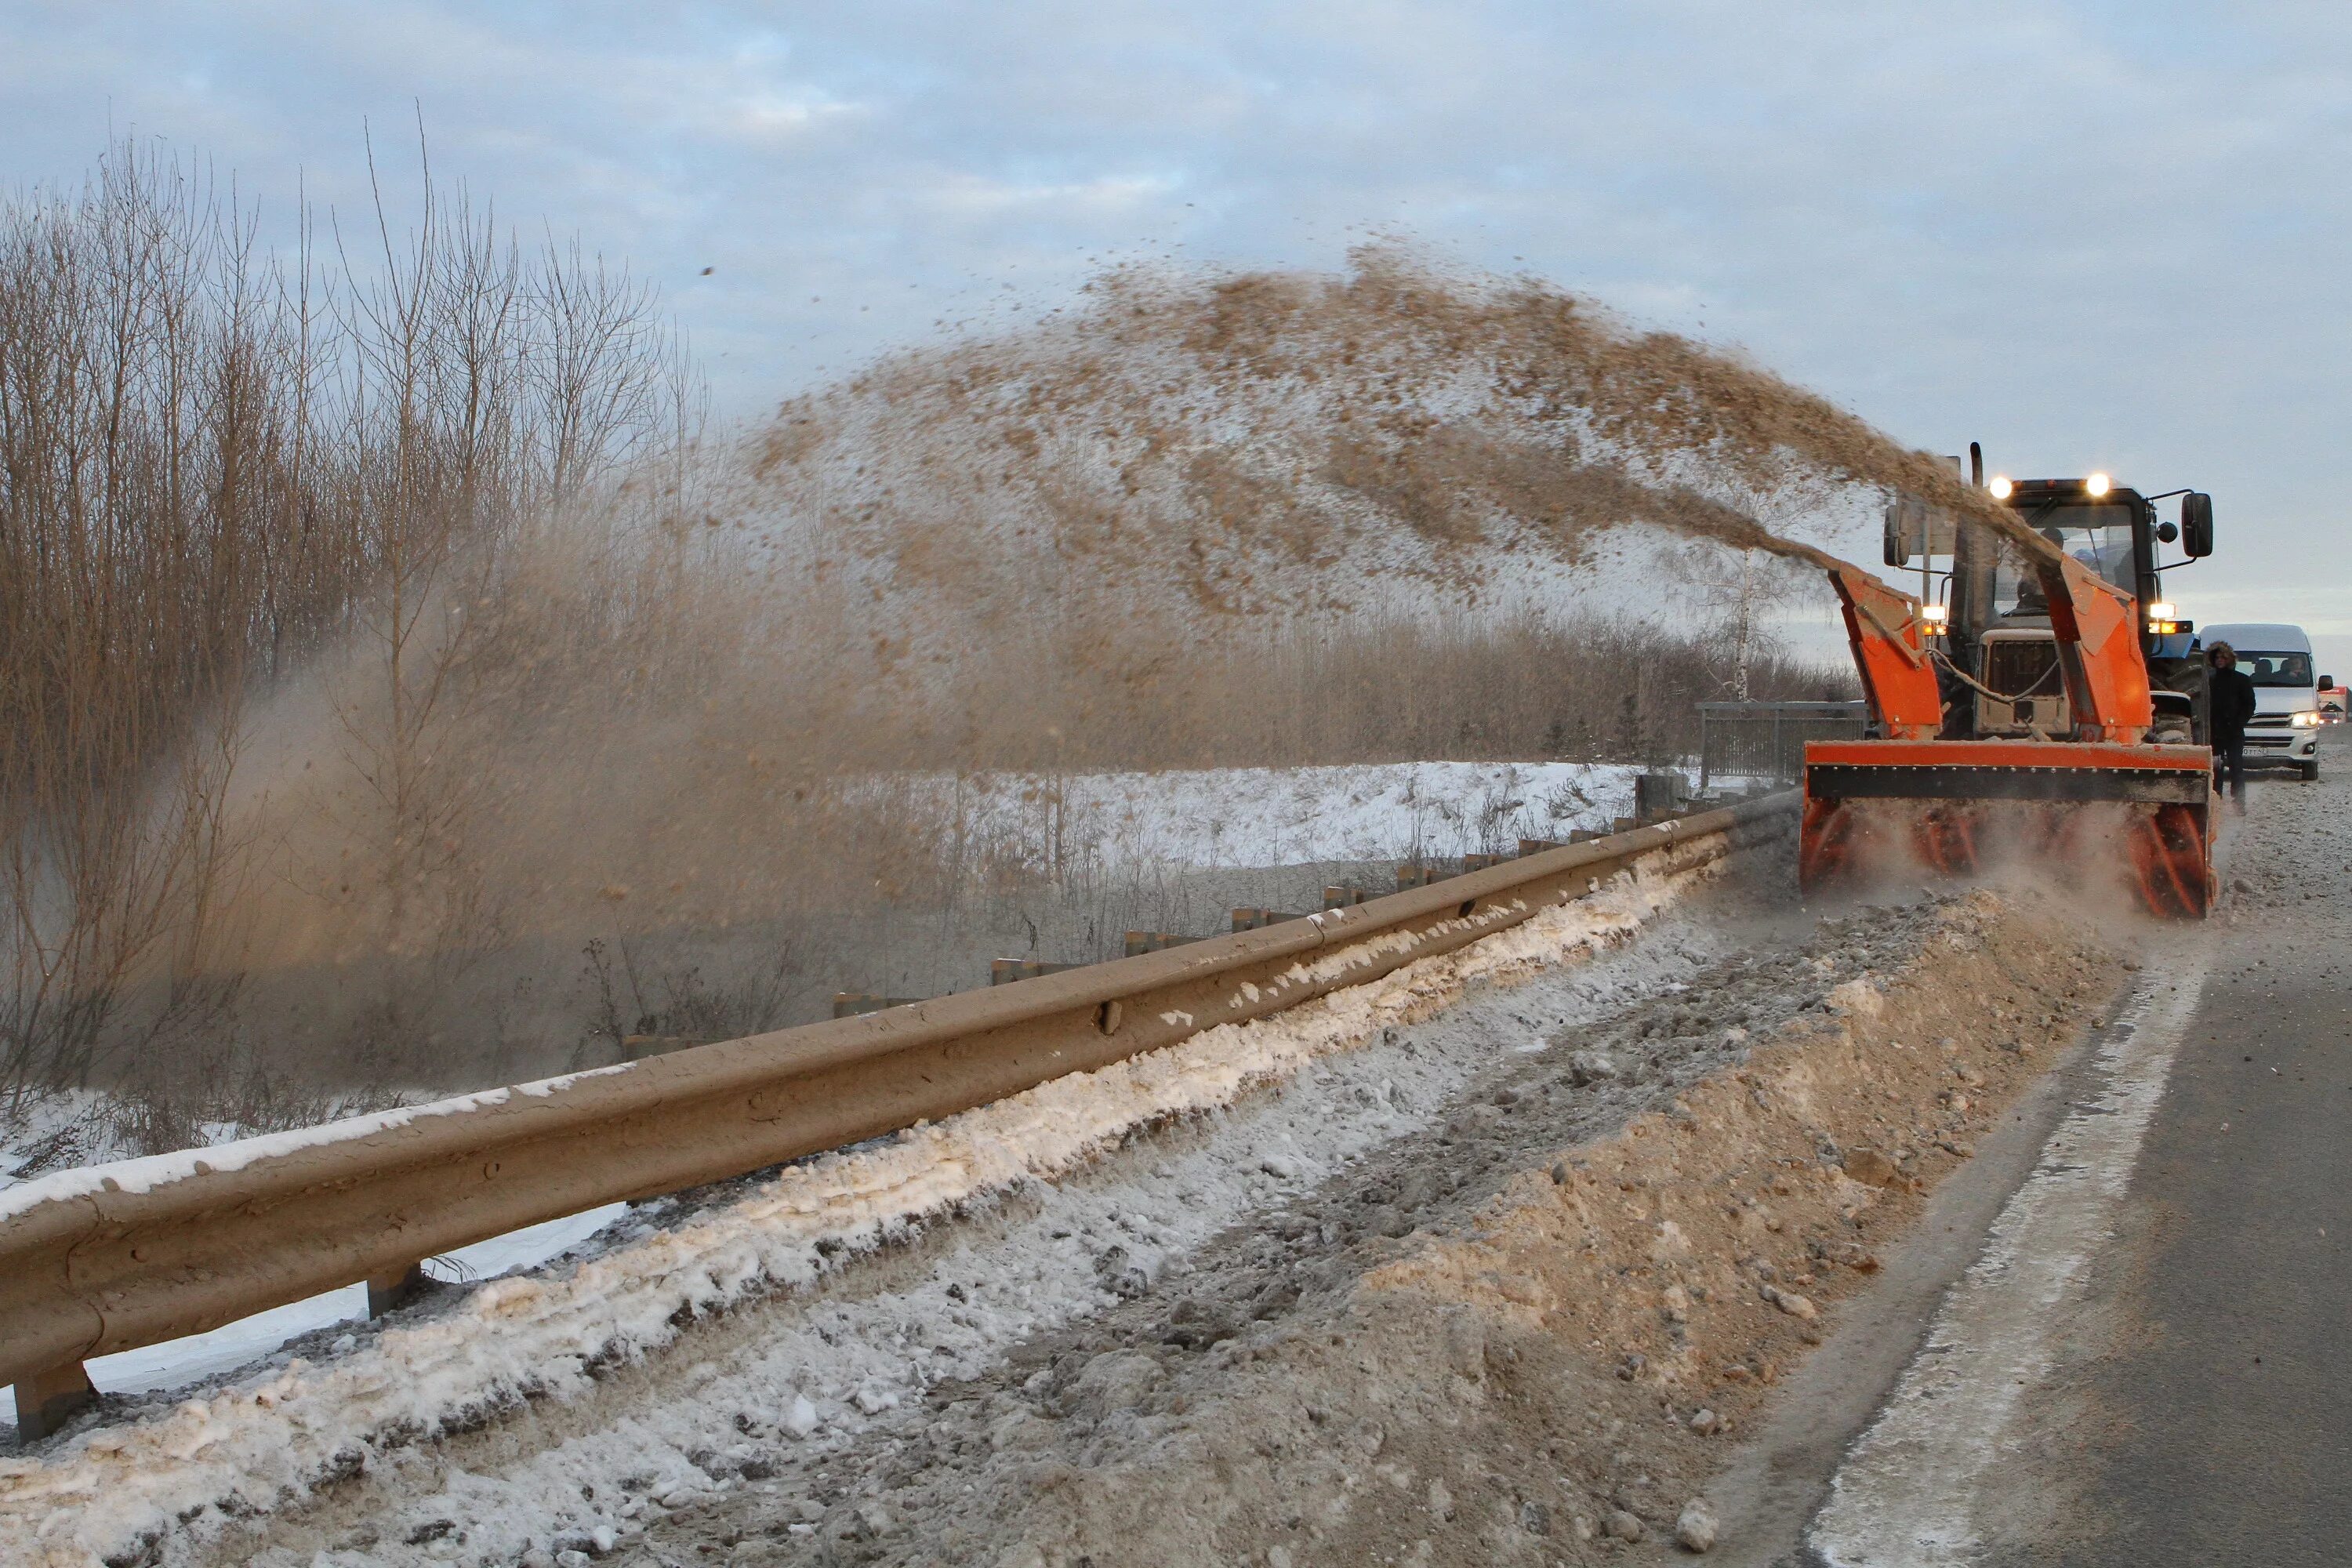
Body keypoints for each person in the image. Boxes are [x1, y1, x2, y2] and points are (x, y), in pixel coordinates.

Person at [2208, 641, 2257, 809]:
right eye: (2216, 657)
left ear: (2230, 659)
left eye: (2223, 657)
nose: (2219, 660)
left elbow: (2249, 704)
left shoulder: (2241, 680)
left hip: (2234, 731)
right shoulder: (2208, 681)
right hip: (2214, 731)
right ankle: (2215, 801)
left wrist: (2239, 722)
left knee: (2236, 766)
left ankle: (2239, 803)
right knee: (2216, 768)